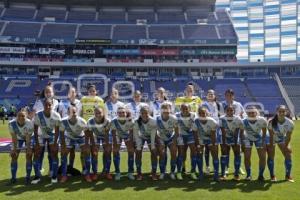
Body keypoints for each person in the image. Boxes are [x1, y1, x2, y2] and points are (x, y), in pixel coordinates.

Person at [32, 99, 61, 184]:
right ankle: (37, 176)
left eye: (50, 105)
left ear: (52, 105)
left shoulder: (56, 115)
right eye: (46, 105)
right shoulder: (38, 115)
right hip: (41, 135)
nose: (48, 107)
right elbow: (35, 129)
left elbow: (57, 130)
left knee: (54, 153)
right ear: (43, 105)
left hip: (52, 135)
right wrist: (37, 143)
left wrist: (55, 143)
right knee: (36, 153)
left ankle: (54, 176)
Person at [175, 83, 202, 173]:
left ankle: (193, 169)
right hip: (182, 127)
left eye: (191, 89)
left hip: (193, 127)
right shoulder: (180, 99)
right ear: (185, 90)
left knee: (193, 150)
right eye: (188, 89)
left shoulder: (197, 99)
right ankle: (182, 167)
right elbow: (176, 111)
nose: (189, 90)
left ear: (193, 90)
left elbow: (200, 111)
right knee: (182, 150)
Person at [60, 105, 91, 183]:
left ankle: (86, 173)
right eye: (70, 112)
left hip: (80, 136)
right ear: (67, 113)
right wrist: (63, 146)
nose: (72, 114)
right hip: (69, 137)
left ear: (77, 112)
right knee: (64, 153)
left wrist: (87, 145)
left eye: (74, 112)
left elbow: (87, 133)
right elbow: (61, 133)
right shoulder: (63, 121)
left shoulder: (82, 121)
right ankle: (64, 175)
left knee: (86, 152)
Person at [267, 105, 295, 182]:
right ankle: (272, 176)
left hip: (281, 137)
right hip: (271, 137)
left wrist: (286, 146)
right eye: (280, 111)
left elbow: (288, 136)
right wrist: (271, 145)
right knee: (271, 156)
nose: (282, 113)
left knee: (288, 154)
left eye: (283, 111)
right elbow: (271, 134)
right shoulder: (271, 121)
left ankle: (288, 176)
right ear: (277, 112)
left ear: (286, 112)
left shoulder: (290, 123)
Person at [58, 87, 82, 171]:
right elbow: (60, 116)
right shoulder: (62, 103)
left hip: (76, 129)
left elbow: (80, 115)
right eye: (70, 92)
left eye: (73, 92)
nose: (71, 94)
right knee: (64, 150)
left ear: (76, 93)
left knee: (72, 150)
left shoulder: (79, 103)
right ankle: (63, 168)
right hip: (65, 130)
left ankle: (70, 167)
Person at [8, 108, 34, 185]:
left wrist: (28, 148)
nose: (21, 117)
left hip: (28, 138)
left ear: (26, 116)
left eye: (23, 116)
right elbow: (14, 137)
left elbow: (28, 137)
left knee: (29, 155)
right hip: (18, 139)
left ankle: (28, 177)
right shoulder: (11, 123)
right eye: (19, 116)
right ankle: (13, 178)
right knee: (14, 156)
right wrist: (14, 149)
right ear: (16, 116)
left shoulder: (29, 123)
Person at [192, 106, 219, 181]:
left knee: (215, 155)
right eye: (200, 113)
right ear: (198, 114)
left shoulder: (212, 121)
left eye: (203, 113)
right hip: (201, 139)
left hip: (211, 139)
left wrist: (213, 145)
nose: (202, 115)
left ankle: (216, 174)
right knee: (199, 155)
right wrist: (197, 145)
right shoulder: (196, 121)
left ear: (206, 113)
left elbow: (213, 134)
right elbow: (195, 134)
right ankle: (201, 173)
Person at [242, 106, 268, 181]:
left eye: (253, 112)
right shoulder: (244, 121)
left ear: (256, 113)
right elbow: (241, 133)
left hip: (259, 138)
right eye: (249, 113)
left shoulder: (262, 120)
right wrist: (243, 143)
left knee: (262, 157)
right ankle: (248, 175)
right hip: (247, 138)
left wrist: (263, 142)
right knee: (247, 157)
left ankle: (260, 175)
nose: (251, 114)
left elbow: (264, 132)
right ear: (247, 113)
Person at [87, 106, 113, 180]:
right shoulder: (90, 121)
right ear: (94, 113)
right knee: (94, 153)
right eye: (96, 113)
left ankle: (106, 172)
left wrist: (107, 145)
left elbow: (107, 133)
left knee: (107, 152)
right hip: (95, 136)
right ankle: (95, 173)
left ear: (103, 113)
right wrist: (94, 146)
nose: (98, 115)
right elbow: (91, 134)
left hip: (106, 136)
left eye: (100, 113)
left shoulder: (107, 121)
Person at [219, 105, 244, 180]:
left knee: (237, 154)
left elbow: (239, 131)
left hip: (235, 139)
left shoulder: (238, 118)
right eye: (228, 110)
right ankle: (223, 174)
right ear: (225, 111)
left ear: (234, 111)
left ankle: (236, 174)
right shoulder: (222, 118)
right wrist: (223, 143)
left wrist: (238, 142)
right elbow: (223, 131)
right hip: (224, 138)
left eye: (231, 110)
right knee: (224, 155)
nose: (230, 112)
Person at [133, 106, 158, 180]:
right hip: (141, 137)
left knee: (154, 152)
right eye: (142, 113)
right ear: (140, 113)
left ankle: (153, 173)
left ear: (149, 113)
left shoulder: (153, 121)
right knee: (138, 152)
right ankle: (139, 173)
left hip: (151, 137)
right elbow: (136, 134)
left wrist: (153, 146)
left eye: (146, 113)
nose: (144, 114)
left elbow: (153, 134)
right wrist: (138, 145)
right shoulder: (136, 121)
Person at [201, 90, 222, 175]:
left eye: (212, 94)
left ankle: (215, 167)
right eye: (209, 94)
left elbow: (221, 116)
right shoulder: (203, 104)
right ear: (206, 96)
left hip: (216, 128)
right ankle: (207, 167)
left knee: (215, 148)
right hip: (206, 128)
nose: (210, 95)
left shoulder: (218, 104)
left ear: (214, 96)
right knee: (206, 148)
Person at [156, 102, 179, 180]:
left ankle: (172, 172)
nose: (166, 112)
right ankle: (162, 172)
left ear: (170, 110)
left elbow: (177, 131)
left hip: (171, 138)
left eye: (167, 110)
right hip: (161, 138)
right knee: (162, 154)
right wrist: (158, 140)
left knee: (173, 153)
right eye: (164, 110)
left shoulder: (174, 118)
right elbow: (154, 131)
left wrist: (174, 141)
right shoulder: (157, 118)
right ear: (161, 110)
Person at [111, 106, 135, 181]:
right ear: (117, 113)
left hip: (127, 135)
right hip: (118, 135)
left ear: (126, 113)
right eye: (119, 113)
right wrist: (115, 143)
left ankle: (130, 172)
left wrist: (130, 142)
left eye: (123, 112)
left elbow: (131, 133)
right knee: (115, 151)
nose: (121, 114)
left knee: (131, 151)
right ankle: (117, 172)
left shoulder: (130, 120)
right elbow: (113, 133)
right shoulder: (114, 121)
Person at [175, 103, 197, 180]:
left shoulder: (194, 115)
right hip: (181, 135)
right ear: (180, 109)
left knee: (193, 152)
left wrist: (196, 140)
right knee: (181, 153)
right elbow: (175, 128)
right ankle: (179, 171)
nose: (185, 110)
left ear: (189, 109)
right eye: (183, 109)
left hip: (191, 134)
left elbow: (195, 128)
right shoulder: (176, 115)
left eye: (186, 109)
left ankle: (193, 171)